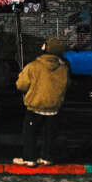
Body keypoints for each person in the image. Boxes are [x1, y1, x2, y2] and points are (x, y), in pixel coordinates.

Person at [14, 37, 71, 166]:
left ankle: (29, 158)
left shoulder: (33, 66)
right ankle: (47, 157)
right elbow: (67, 85)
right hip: (54, 107)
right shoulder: (64, 68)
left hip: (35, 106)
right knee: (49, 134)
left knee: (30, 133)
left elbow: (21, 85)